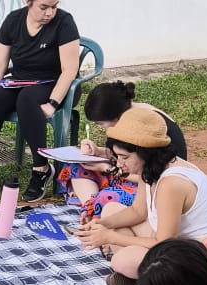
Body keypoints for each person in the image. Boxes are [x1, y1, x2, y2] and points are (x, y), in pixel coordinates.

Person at [76, 106, 207, 285]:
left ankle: (146, 279)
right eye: (117, 156)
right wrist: (102, 224)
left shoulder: (171, 183)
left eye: (124, 157)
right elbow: (137, 211)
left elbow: (165, 242)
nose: (119, 164)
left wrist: (110, 237)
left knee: (123, 260)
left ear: (144, 153)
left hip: (204, 262)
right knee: (110, 210)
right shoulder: (152, 168)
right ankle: (141, 276)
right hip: (184, 246)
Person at [0, 0, 81, 203]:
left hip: (55, 83)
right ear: (27, 0)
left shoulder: (64, 22)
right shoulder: (13, 21)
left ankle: (42, 170)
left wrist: (53, 103)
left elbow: (70, 69)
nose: (50, 12)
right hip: (21, 81)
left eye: (55, 5)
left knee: (27, 99)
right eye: (44, 7)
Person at [58, 81, 187, 215]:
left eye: (100, 123)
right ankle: (91, 207)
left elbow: (150, 177)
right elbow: (129, 154)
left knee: (108, 197)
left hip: (154, 183)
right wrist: (97, 152)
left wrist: (107, 169)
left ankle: (93, 207)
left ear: (115, 116)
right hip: (134, 172)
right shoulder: (133, 114)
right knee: (77, 167)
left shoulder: (140, 126)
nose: (100, 127)